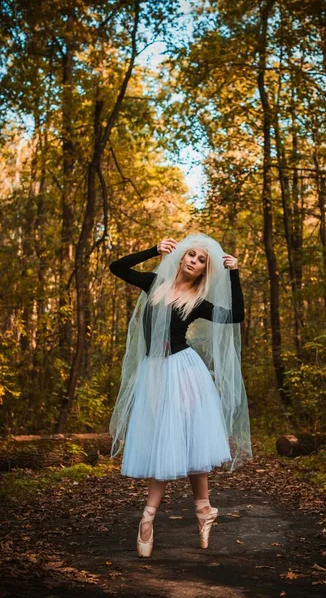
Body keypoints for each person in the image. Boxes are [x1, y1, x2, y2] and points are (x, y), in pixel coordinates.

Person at [109, 233, 252, 557]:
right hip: (153, 373)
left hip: (183, 372)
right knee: (167, 440)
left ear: (204, 271)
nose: (194, 261)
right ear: (181, 257)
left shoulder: (198, 302)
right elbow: (116, 267)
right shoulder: (154, 283)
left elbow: (236, 315)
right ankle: (197, 510)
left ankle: (155, 515)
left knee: (185, 438)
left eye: (202, 260)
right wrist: (152, 249)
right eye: (191, 255)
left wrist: (234, 272)